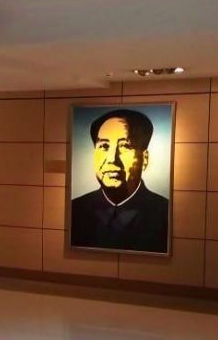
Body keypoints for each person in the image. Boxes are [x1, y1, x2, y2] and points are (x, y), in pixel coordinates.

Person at [71, 108, 169, 253]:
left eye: (125, 146)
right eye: (104, 146)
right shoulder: (75, 209)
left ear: (145, 159)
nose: (112, 159)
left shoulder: (165, 213)